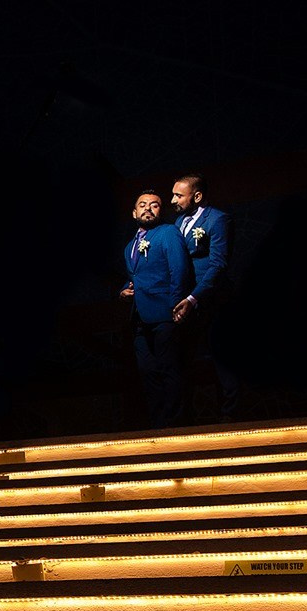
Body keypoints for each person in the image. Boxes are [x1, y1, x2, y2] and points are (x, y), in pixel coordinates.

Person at [168, 173, 239, 420]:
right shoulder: (177, 224)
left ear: (197, 196)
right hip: (186, 303)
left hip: (214, 301)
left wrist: (193, 298)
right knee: (183, 361)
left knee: (223, 360)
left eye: (178, 195)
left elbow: (218, 265)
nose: (172, 200)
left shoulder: (218, 219)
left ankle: (231, 421)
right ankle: (185, 421)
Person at [121, 190, 191, 427]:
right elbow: (137, 275)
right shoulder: (130, 246)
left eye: (154, 205)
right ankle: (158, 424)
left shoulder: (168, 232)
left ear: (161, 211)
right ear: (134, 212)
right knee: (147, 371)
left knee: (169, 368)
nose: (148, 208)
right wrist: (125, 290)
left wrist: (176, 305)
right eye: (142, 205)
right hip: (140, 317)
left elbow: (179, 270)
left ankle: (176, 424)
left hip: (165, 312)